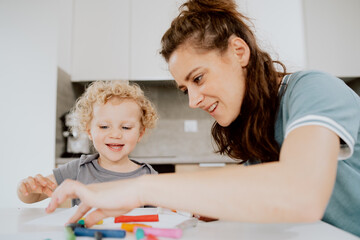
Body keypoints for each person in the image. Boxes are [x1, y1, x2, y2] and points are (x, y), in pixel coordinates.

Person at [46, 0, 360, 237]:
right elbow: (262, 200)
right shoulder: (256, 127)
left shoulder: (312, 89)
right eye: (185, 90)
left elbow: (300, 193)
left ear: (239, 52)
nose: (194, 101)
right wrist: (211, 206)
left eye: (198, 78)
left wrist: (141, 188)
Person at [17, 80, 158, 206]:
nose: (115, 134)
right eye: (104, 126)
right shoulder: (78, 169)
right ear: (89, 131)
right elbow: (33, 196)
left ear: (140, 133)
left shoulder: (149, 176)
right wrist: (26, 188)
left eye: (126, 127)